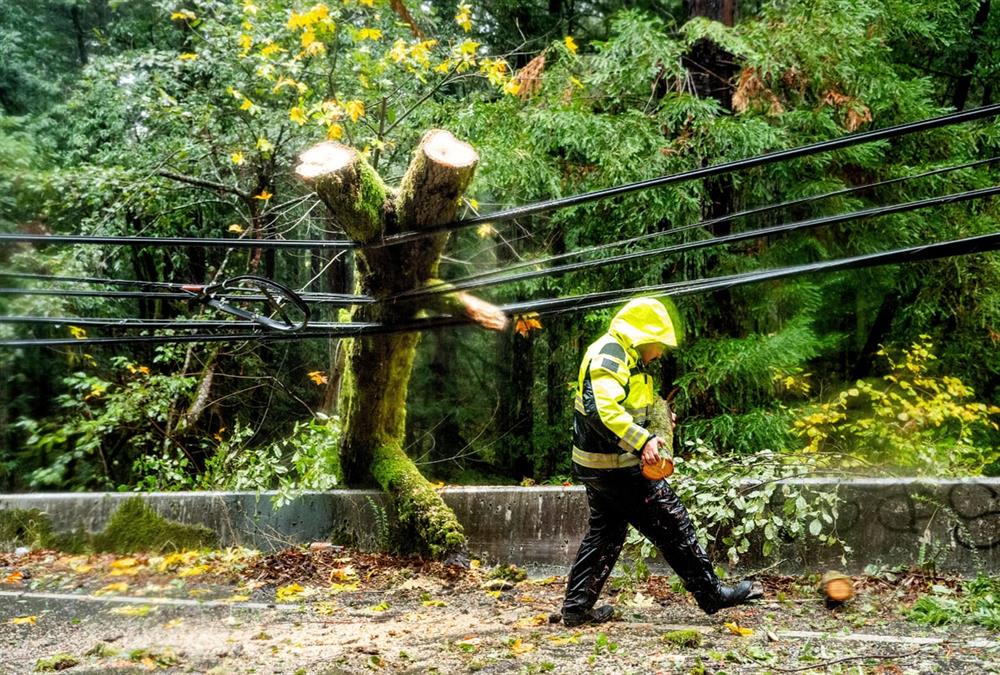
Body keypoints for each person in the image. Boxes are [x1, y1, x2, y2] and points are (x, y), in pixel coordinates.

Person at [560, 297, 762, 627]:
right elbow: (603, 410)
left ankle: (576, 608)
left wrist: (659, 423)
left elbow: (628, 406)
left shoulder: (623, 357)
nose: (662, 352)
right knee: (674, 523)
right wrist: (643, 440)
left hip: (602, 465)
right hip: (617, 467)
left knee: (606, 534)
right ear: (644, 336)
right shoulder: (610, 355)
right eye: (660, 344)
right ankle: (711, 595)